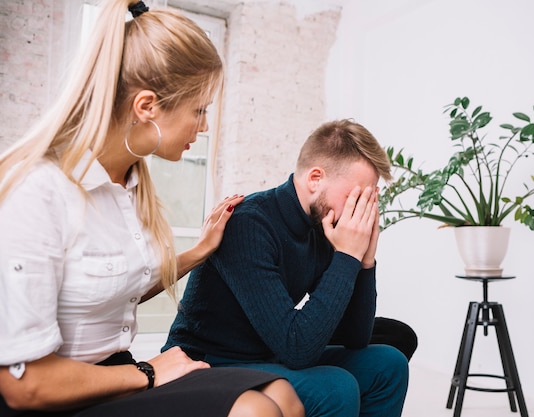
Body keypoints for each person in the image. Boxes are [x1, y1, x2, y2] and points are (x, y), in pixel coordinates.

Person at [0, 1, 304, 417]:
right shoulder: (38, 192)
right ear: (146, 107)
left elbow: (115, 290)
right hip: (51, 397)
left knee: (281, 394)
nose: (204, 126)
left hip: (115, 374)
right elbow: (24, 385)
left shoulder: (131, 184)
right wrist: (149, 372)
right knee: (254, 410)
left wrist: (201, 250)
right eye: (199, 110)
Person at [164, 119, 410, 417]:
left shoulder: (322, 228)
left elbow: (354, 338)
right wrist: (347, 255)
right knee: (336, 386)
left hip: (266, 352)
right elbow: (297, 349)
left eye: (368, 200)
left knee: (389, 364)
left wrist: (364, 261)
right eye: (354, 197)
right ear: (315, 178)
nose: (359, 212)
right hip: (209, 361)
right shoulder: (249, 224)